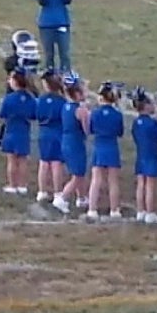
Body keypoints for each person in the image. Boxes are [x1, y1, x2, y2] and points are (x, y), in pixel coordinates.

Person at [0, 30, 42, 149]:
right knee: (10, 116)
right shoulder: (12, 61)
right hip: (14, 90)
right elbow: (11, 68)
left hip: (29, 88)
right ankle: (1, 138)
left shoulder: (30, 60)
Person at [87, 81, 125, 220]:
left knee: (96, 179)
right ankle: (114, 210)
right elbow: (120, 132)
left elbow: (91, 129)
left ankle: (92, 209)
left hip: (99, 147)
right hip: (112, 147)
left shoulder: (94, 113)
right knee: (113, 181)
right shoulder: (117, 115)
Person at [0, 70, 37, 195]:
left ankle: (12, 185)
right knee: (23, 160)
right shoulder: (31, 99)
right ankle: (22, 185)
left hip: (11, 132)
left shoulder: (8, 98)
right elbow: (34, 115)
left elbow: (2, 114)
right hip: (24, 133)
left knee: (12, 160)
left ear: (15, 82)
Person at [35, 69, 69, 210]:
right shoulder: (62, 101)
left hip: (44, 133)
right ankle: (57, 192)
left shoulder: (41, 100)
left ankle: (42, 191)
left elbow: (37, 115)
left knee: (44, 162)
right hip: (58, 134)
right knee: (56, 164)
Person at [131, 87, 157, 224]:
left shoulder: (136, 123)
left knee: (141, 184)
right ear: (146, 106)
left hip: (140, 155)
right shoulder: (152, 123)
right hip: (151, 155)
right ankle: (150, 212)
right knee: (150, 185)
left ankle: (141, 211)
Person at [34, 0, 73, 73]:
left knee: (64, 54)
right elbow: (42, 1)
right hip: (46, 25)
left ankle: (67, 77)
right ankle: (50, 78)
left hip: (62, 23)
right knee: (49, 55)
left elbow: (67, 0)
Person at [58, 73, 90, 212]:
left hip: (66, 141)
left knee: (78, 172)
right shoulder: (80, 110)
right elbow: (87, 130)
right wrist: (88, 116)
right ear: (77, 93)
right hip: (76, 143)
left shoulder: (66, 106)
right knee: (78, 174)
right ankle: (63, 198)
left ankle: (82, 198)